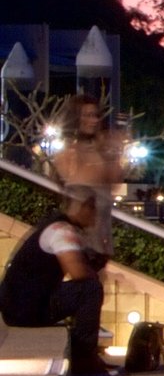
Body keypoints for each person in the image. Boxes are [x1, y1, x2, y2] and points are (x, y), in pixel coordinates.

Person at [0, 189, 109, 375]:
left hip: (19, 306)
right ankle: (83, 355)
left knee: (88, 286)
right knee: (90, 289)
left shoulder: (55, 226)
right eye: (94, 211)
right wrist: (93, 269)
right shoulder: (62, 231)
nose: (96, 218)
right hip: (26, 309)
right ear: (83, 208)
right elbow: (78, 272)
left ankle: (83, 350)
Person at [50, 95, 123, 260]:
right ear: (76, 118)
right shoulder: (69, 154)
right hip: (80, 239)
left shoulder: (100, 152)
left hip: (101, 238)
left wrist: (112, 154)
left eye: (96, 115)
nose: (94, 120)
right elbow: (77, 183)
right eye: (88, 115)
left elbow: (114, 183)